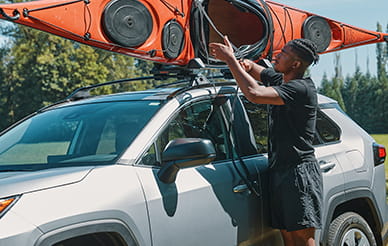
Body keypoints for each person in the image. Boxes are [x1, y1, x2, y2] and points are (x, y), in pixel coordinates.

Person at [209, 37, 323, 246]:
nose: (277, 55)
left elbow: (254, 94)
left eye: (284, 54)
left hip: (299, 173)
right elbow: (254, 69)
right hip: (280, 171)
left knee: (301, 238)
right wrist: (241, 61)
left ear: (295, 64)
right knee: (287, 236)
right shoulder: (282, 80)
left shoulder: (301, 89)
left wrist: (230, 61)